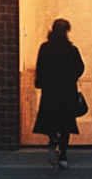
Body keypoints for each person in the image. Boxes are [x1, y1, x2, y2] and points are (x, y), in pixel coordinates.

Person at [32, 18, 85, 169]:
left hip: (50, 91)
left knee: (50, 118)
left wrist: (41, 81)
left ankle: (52, 140)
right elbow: (80, 67)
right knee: (66, 123)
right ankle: (63, 154)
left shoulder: (45, 48)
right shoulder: (71, 50)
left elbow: (40, 67)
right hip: (67, 91)